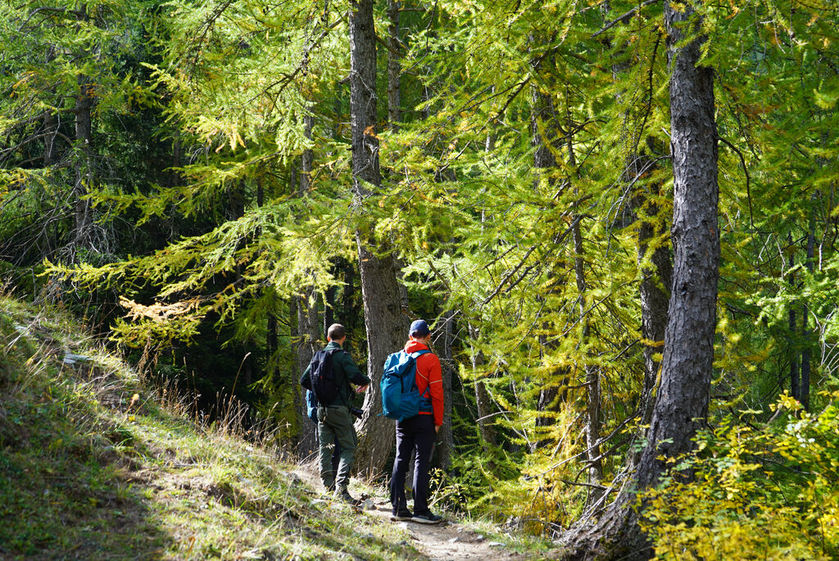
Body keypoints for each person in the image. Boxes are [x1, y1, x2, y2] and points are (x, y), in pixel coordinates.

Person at [300, 323, 370, 503]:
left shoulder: (317, 356)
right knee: (349, 447)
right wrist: (366, 381)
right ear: (343, 338)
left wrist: (320, 392)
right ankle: (342, 489)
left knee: (325, 448)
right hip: (339, 410)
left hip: (321, 410)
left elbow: (304, 380)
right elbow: (357, 377)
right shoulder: (342, 356)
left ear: (328, 338)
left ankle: (327, 487)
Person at [389, 319, 444, 524]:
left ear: (410, 336)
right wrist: (437, 420)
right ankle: (420, 510)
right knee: (421, 460)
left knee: (401, 458)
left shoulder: (400, 357)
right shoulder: (431, 359)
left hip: (403, 415)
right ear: (428, 336)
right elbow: (437, 393)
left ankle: (398, 507)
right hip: (424, 415)